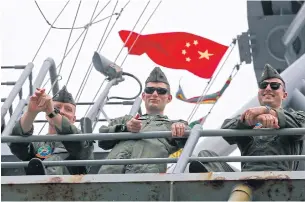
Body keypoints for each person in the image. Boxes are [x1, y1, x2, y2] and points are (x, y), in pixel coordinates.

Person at [189, 64, 305, 172]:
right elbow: (227, 130)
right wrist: (251, 120)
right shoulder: (248, 119)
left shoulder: (297, 117)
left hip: (281, 177)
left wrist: (268, 111)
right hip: (247, 178)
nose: (268, 88)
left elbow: (299, 126)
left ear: (284, 95)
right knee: (205, 157)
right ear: (259, 92)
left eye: (274, 86)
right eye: (263, 85)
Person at [98, 67, 190, 173]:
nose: (155, 94)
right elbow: (102, 139)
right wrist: (125, 128)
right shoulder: (125, 120)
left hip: (146, 182)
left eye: (161, 91)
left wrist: (181, 127)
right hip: (108, 178)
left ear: (168, 98)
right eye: (150, 90)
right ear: (143, 95)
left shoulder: (171, 125)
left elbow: (189, 138)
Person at [8, 86, 94, 175]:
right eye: (57, 107)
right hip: (39, 186)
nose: (62, 111)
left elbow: (77, 145)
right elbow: (18, 146)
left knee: (55, 160)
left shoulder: (84, 139)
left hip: (71, 185)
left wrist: (51, 112)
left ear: (73, 119)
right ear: (46, 115)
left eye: (68, 109)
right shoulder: (38, 143)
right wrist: (31, 113)